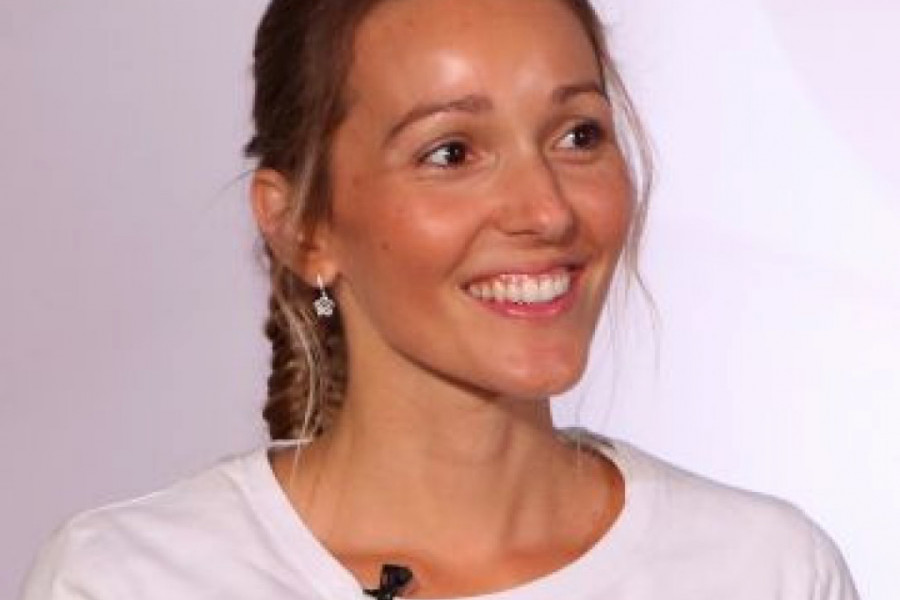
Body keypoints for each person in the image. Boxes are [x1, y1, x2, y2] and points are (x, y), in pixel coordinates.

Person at [21, 0, 859, 598]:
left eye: (578, 135)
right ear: (302, 228)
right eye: (452, 152)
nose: (547, 211)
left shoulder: (765, 572)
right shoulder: (128, 580)